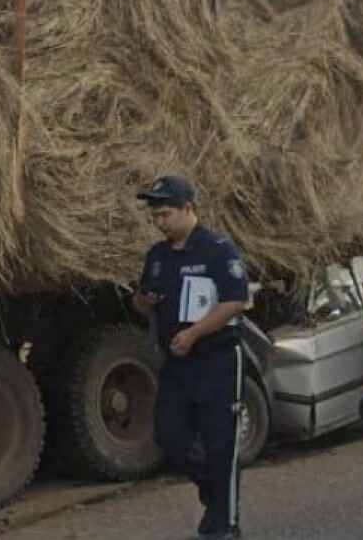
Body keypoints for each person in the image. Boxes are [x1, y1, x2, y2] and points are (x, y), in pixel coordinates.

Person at [132, 175, 249, 540]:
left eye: (166, 214)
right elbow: (141, 299)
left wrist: (196, 333)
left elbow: (235, 301)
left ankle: (225, 525)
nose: (160, 222)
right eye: (155, 217)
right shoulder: (157, 257)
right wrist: (143, 302)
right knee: (170, 436)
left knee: (220, 445)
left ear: (188, 209)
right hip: (178, 363)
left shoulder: (217, 250)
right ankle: (214, 494)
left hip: (216, 359)